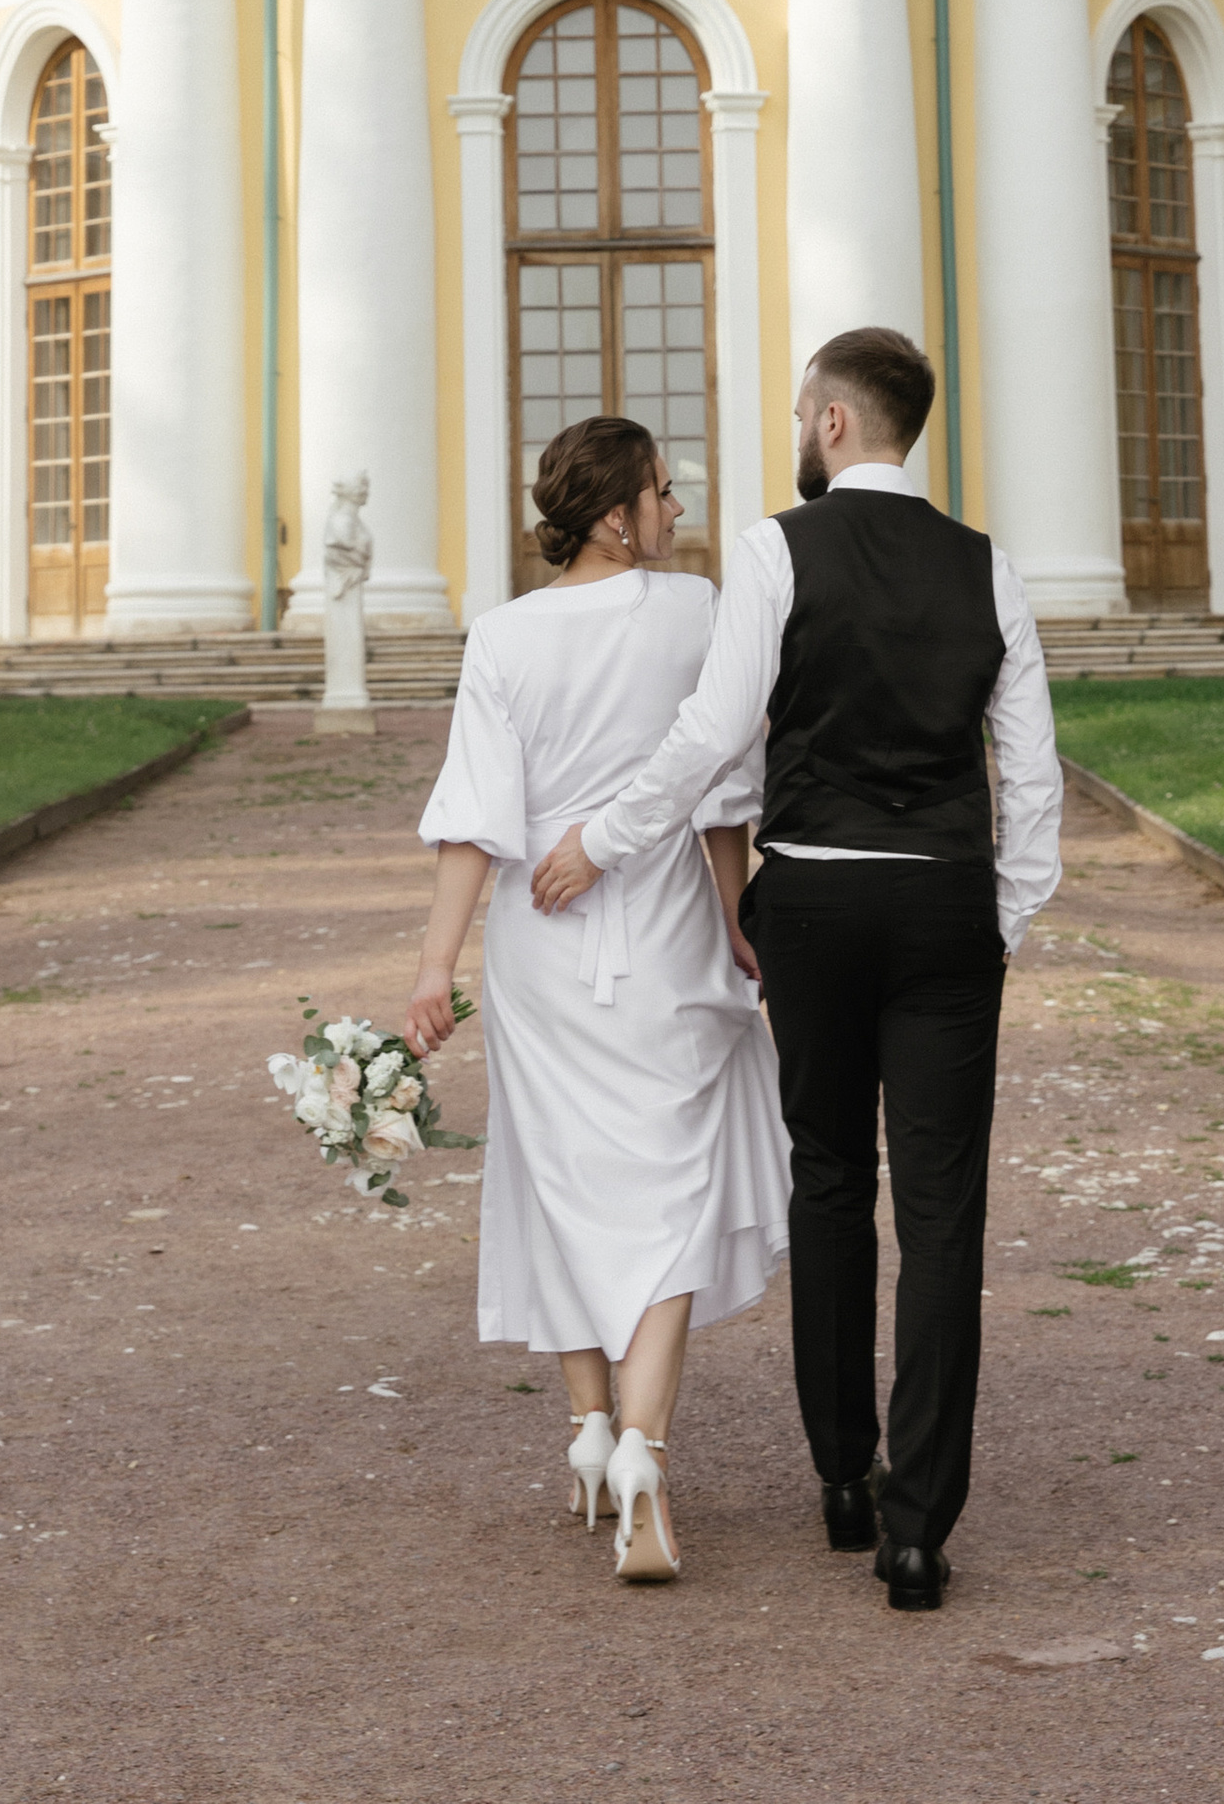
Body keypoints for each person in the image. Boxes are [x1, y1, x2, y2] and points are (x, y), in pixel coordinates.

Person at [530, 326, 1062, 1613]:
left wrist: (602, 839)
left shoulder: (776, 550)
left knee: (829, 1180)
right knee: (943, 1221)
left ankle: (840, 1478)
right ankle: (919, 1526)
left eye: (794, 414)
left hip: (814, 898)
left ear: (830, 423)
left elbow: (717, 732)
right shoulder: (988, 570)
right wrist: (1004, 914)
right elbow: (1031, 777)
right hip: (944, 905)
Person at [405, 412, 788, 1586]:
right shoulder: (695, 613)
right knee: (670, 1187)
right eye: (664, 494)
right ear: (617, 518)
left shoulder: (503, 637)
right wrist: (735, 916)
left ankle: (584, 1426)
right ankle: (641, 1451)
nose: (678, 511)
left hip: (539, 936)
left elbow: (475, 819)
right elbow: (721, 789)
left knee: (554, 1173)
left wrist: (434, 969)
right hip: (664, 925)